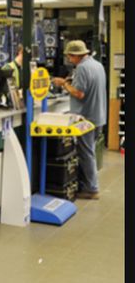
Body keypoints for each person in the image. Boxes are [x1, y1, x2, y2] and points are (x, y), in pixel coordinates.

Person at [51, 40, 106, 200]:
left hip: (86, 118)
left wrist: (63, 84)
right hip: (98, 115)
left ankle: (92, 189)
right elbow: (89, 87)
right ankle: (86, 183)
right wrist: (70, 83)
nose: (68, 59)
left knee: (86, 153)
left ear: (76, 55)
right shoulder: (97, 65)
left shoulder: (82, 68)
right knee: (88, 152)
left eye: (69, 56)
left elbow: (79, 94)